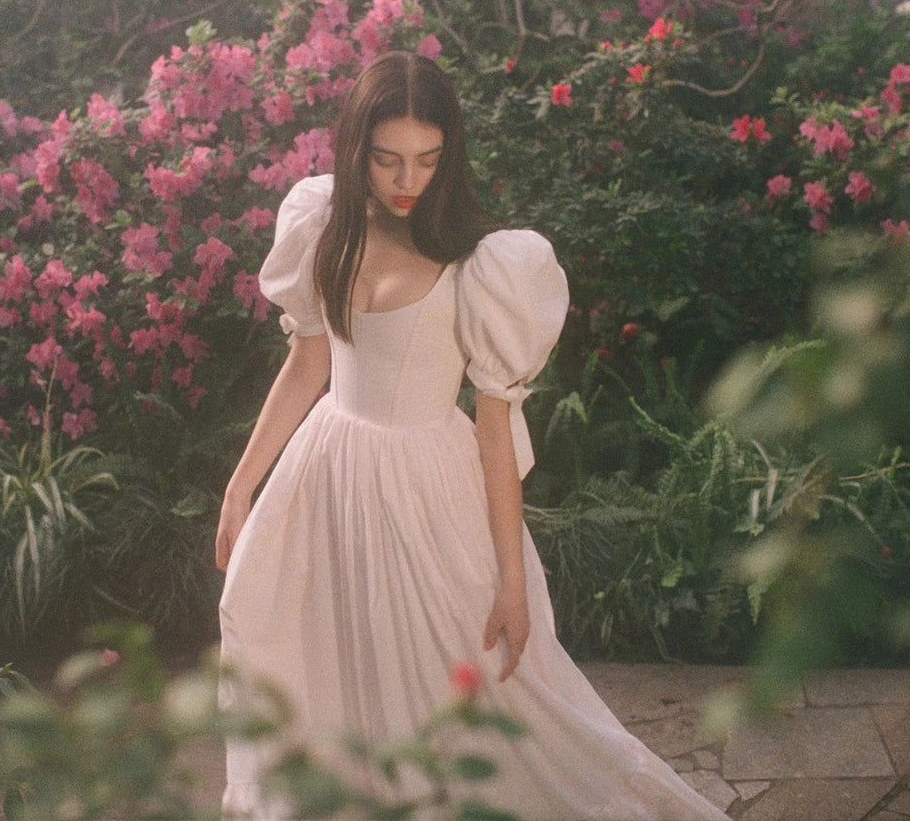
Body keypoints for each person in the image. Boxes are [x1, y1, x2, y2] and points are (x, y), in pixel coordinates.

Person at [216, 50, 728, 821]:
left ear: (449, 154)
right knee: (319, 660)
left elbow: (495, 433)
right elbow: (307, 360)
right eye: (386, 159)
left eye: (426, 159)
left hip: (425, 485)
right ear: (355, 149)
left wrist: (512, 583)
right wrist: (241, 484)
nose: (405, 180)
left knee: (457, 680)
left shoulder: (482, 262)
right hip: (325, 472)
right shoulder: (325, 224)